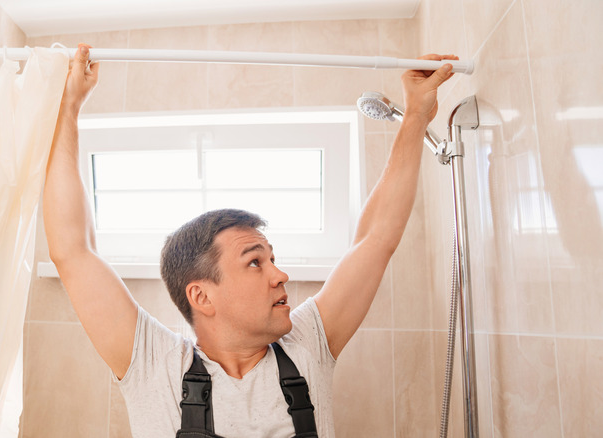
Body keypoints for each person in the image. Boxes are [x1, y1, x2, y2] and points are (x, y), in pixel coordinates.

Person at [43, 43, 457, 437]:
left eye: (271, 259)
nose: (281, 275)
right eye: (255, 262)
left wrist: (416, 115)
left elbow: (375, 238)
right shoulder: (154, 367)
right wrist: (69, 108)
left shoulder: (307, 342)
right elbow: (72, 250)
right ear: (202, 297)